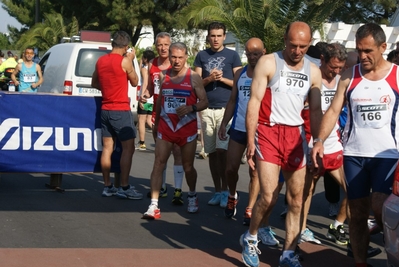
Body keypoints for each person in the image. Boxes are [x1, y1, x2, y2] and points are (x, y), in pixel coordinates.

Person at [312, 22, 398, 267]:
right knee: (357, 214)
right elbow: (333, 111)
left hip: (388, 156)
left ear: (383, 47)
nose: (363, 56)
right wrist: (319, 140)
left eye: (368, 50)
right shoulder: (350, 76)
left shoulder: (397, 75)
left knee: (381, 208)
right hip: (354, 155)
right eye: (359, 50)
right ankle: (360, 262)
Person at [240, 21, 322, 267]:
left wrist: (317, 141)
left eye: (303, 47)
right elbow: (254, 102)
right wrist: (250, 141)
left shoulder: (313, 70)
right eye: (293, 45)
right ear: (285, 40)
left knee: (296, 200)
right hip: (268, 131)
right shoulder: (268, 62)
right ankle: (251, 237)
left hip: (295, 136)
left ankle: (288, 252)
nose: (297, 51)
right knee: (268, 195)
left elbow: (316, 110)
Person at [142, 42, 208, 219]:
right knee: (158, 163)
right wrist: (155, 123)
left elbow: (204, 101)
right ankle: (154, 205)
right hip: (166, 126)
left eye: (180, 57)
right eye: (174, 57)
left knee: (188, 167)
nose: (177, 61)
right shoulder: (163, 77)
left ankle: (192, 195)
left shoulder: (193, 77)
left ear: (186, 57)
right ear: (169, 57)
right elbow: (159, 101)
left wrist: (191, 108)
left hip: (187, 129)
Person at [300, 42, 350, 246]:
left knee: (354, 189)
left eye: (340, 68)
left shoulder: (341, 81)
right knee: (307, 191)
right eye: (333, 67)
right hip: (311, 144)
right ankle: (301, 229)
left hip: (334, 144)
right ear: (322, 60)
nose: (336, 71)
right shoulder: (311, 79)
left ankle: (337, 225)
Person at [194, 21, 242, 208]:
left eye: (219, 35)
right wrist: (209, 78)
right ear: (208, 36)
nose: (215, 39)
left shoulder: (233, 55)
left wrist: (222, 79)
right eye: (212, 35)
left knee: (223, 152)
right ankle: (217, 191)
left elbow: (239, 82)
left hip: (225, 110)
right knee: (212, 152)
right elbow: (196, 82)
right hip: (206, 109)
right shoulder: (201, 55)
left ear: (224, 36)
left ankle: (226, 190)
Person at [91, 30, 143, 200]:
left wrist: (107, 90)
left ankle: (107, 186)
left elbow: (94, 83)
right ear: (126, 47)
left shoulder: (101, 61)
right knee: (128, 149)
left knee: (107, 148)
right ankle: (124, 187)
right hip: (120, 109)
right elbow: (135, 82)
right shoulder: (125, 61)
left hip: (105, 109)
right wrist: (132, 59)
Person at [141, 32, 185, 205]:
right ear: (155, 46)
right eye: (159, 45)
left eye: (166, 44)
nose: (163, 48)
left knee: (177, 152)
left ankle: (178, 190)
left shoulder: (177, 62)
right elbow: (150, 89)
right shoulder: (152, 64)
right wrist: (145, 95)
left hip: (177, 113)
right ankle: (163, 187)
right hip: (158, 113)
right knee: (161, 153)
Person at [137, 49, 156, 150]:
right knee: (149, 120)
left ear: (145, 58)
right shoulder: (154, 68)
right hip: (153, 98)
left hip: (146, 97)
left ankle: (142, 143)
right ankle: (158, 139)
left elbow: (145, 83)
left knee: (141, 120)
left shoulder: (145, 69)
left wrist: (142, 98)